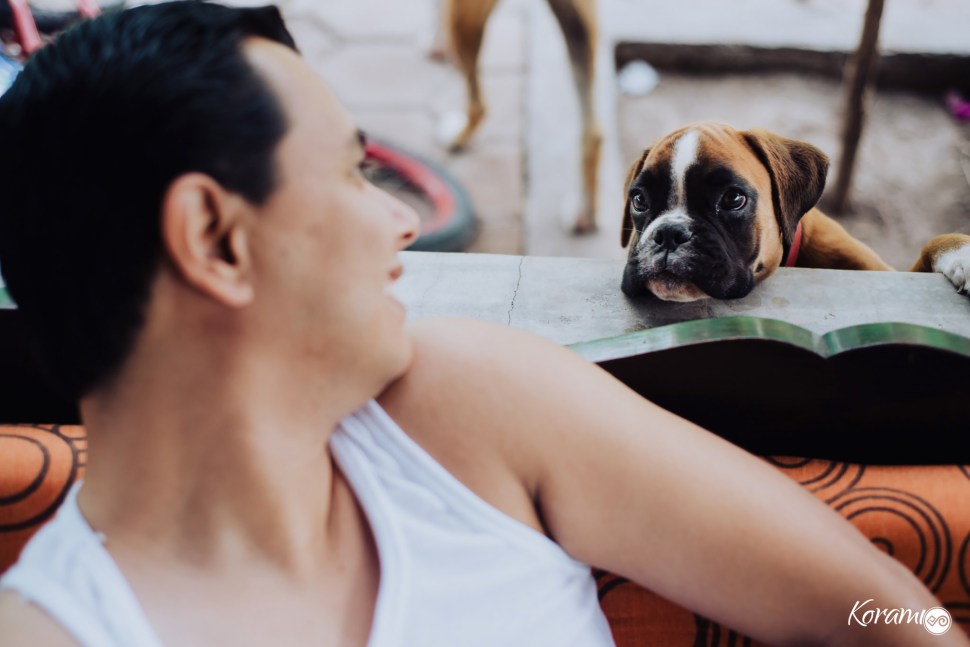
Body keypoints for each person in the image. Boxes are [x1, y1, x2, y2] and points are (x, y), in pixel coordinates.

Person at [0, 3, 964, 646]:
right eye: (350, 174)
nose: (405, 218)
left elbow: (885, 612)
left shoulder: (476, 400)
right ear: (214, 235)